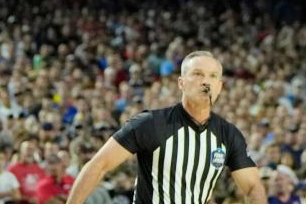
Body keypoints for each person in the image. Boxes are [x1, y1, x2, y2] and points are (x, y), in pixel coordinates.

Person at [65, 51, 266, 204]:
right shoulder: (151, 123)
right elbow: (97, 165)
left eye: (213, 76)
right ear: (181, 83)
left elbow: (253, 187)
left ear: (220, 86)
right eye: (197, 74)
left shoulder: (228, 134)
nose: (206, 81)